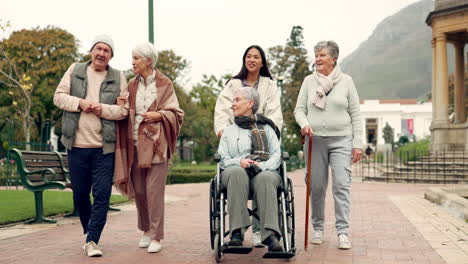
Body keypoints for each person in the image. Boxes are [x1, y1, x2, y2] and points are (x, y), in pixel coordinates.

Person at [54, 34, 129, 257]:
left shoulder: (119, 77)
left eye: (107, 50)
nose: (101, 53)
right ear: (91, 51)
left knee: (103, 194)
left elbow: (124, 111)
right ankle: (90, 233)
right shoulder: (75, 70)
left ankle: (92, 240)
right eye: (98, 48)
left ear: (111, 56)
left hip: (103, 148)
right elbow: (58, 97)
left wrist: (102, 109)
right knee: (79, 195)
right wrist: (80, 103)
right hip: (76, 145)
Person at [113, 42, 184, 254]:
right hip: (133, 144)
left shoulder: (165, 84)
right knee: (141, 192)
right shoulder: (131, 85)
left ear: (148, 61)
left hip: (156, 146)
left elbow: (177, 113)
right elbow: (124, 110)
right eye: (132, 58)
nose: (132, 62)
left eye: (136, 58)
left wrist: (160, 115)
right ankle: (145, 230)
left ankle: (156, 236)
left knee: (154, 192)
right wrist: (120, 103)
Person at [294, 40, 362, 250]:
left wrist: (357, 144)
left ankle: (342, 232)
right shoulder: (308, 81)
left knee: (341, 185)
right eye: (316, 55)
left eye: (322, 55)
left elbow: (355, 114)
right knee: (316, 187)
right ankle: (318, 228)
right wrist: (305, 125)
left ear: (333, 59)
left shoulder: (347, 82)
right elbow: (299, 110)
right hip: (315, 141)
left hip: (342, 139)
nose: (317, 59)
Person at [214, 45, 283, 247]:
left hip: (263, 160)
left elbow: (276, 150)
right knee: (236, 172)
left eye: (256, 56)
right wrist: (224, 133)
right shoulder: (233, 85)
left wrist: (267, 128)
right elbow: (221, 108)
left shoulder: (269, 88)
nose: (251, 59)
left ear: (262, 62)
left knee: (266, 178)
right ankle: (237, 233)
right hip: (237, 164)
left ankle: (269, 235)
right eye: (248, 56)